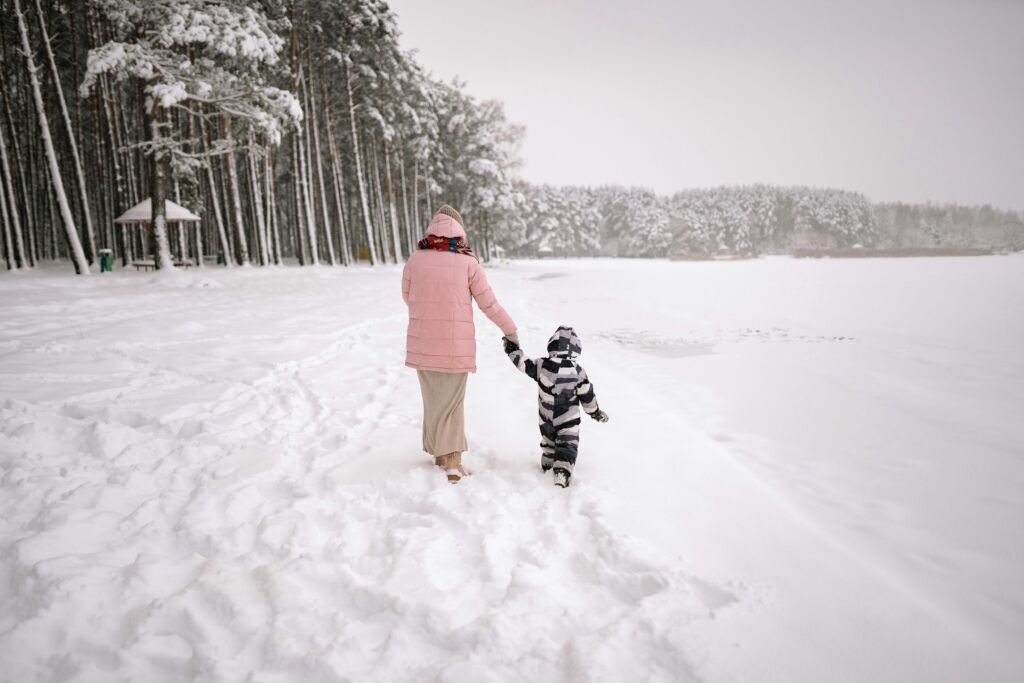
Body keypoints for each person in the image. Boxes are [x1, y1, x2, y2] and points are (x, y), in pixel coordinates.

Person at [402, 205, 518, 483]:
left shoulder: (415, 259)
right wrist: (511, 331)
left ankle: (440, 456)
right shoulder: (468, 262)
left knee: (434, 403)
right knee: (452, 405)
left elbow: (408, 296)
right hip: (456, 349)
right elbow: (489, 304)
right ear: (459, 229)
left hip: (422, 345)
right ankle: (453, 462)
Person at [502, 326, 609, 487]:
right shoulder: (578, 372)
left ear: (551, 345)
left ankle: (547, 464)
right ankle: (561, 472)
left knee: (548, 442)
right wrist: (594, 412)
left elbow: (523, 364)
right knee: (568, 443)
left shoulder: (542, 365)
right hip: (568, 419)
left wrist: (512, 350)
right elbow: (587, 395)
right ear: (576, 349)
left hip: (546, 418)